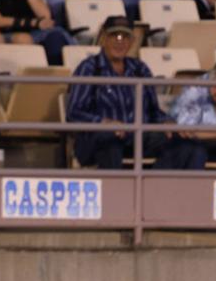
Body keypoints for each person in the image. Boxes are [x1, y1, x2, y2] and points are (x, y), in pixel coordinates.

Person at [67, 16, 181, 168]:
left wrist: (166, 121)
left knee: (183, 143)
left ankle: (156, 189)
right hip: (99, 140)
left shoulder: (140, 69)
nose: (119, 41)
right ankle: (114, 191)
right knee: (109, 141)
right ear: (103, 38)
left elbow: (154, 111)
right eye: (114, 36)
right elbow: (74, 112)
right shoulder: (90, 68)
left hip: (138, 138)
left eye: (125, 37)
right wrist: (104, 123)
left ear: (132, 41)